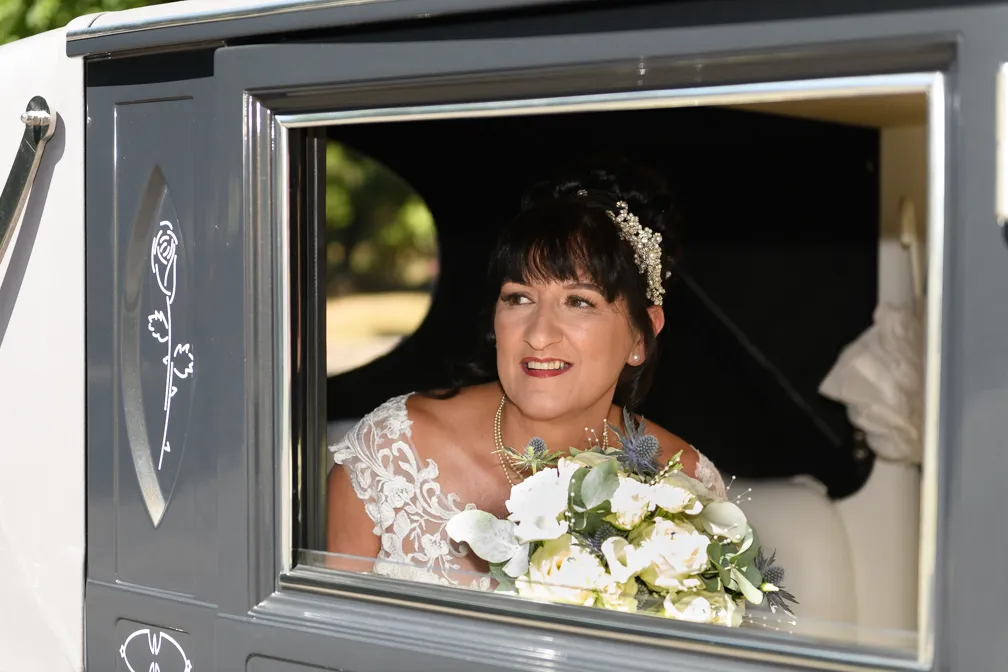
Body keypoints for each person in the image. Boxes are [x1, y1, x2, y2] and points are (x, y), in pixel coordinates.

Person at [326, 158, 728, 587]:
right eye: (518, 298)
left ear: (641, 338)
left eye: (579, 302)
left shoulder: (682, 488)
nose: (538, 334)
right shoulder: (393, 454)